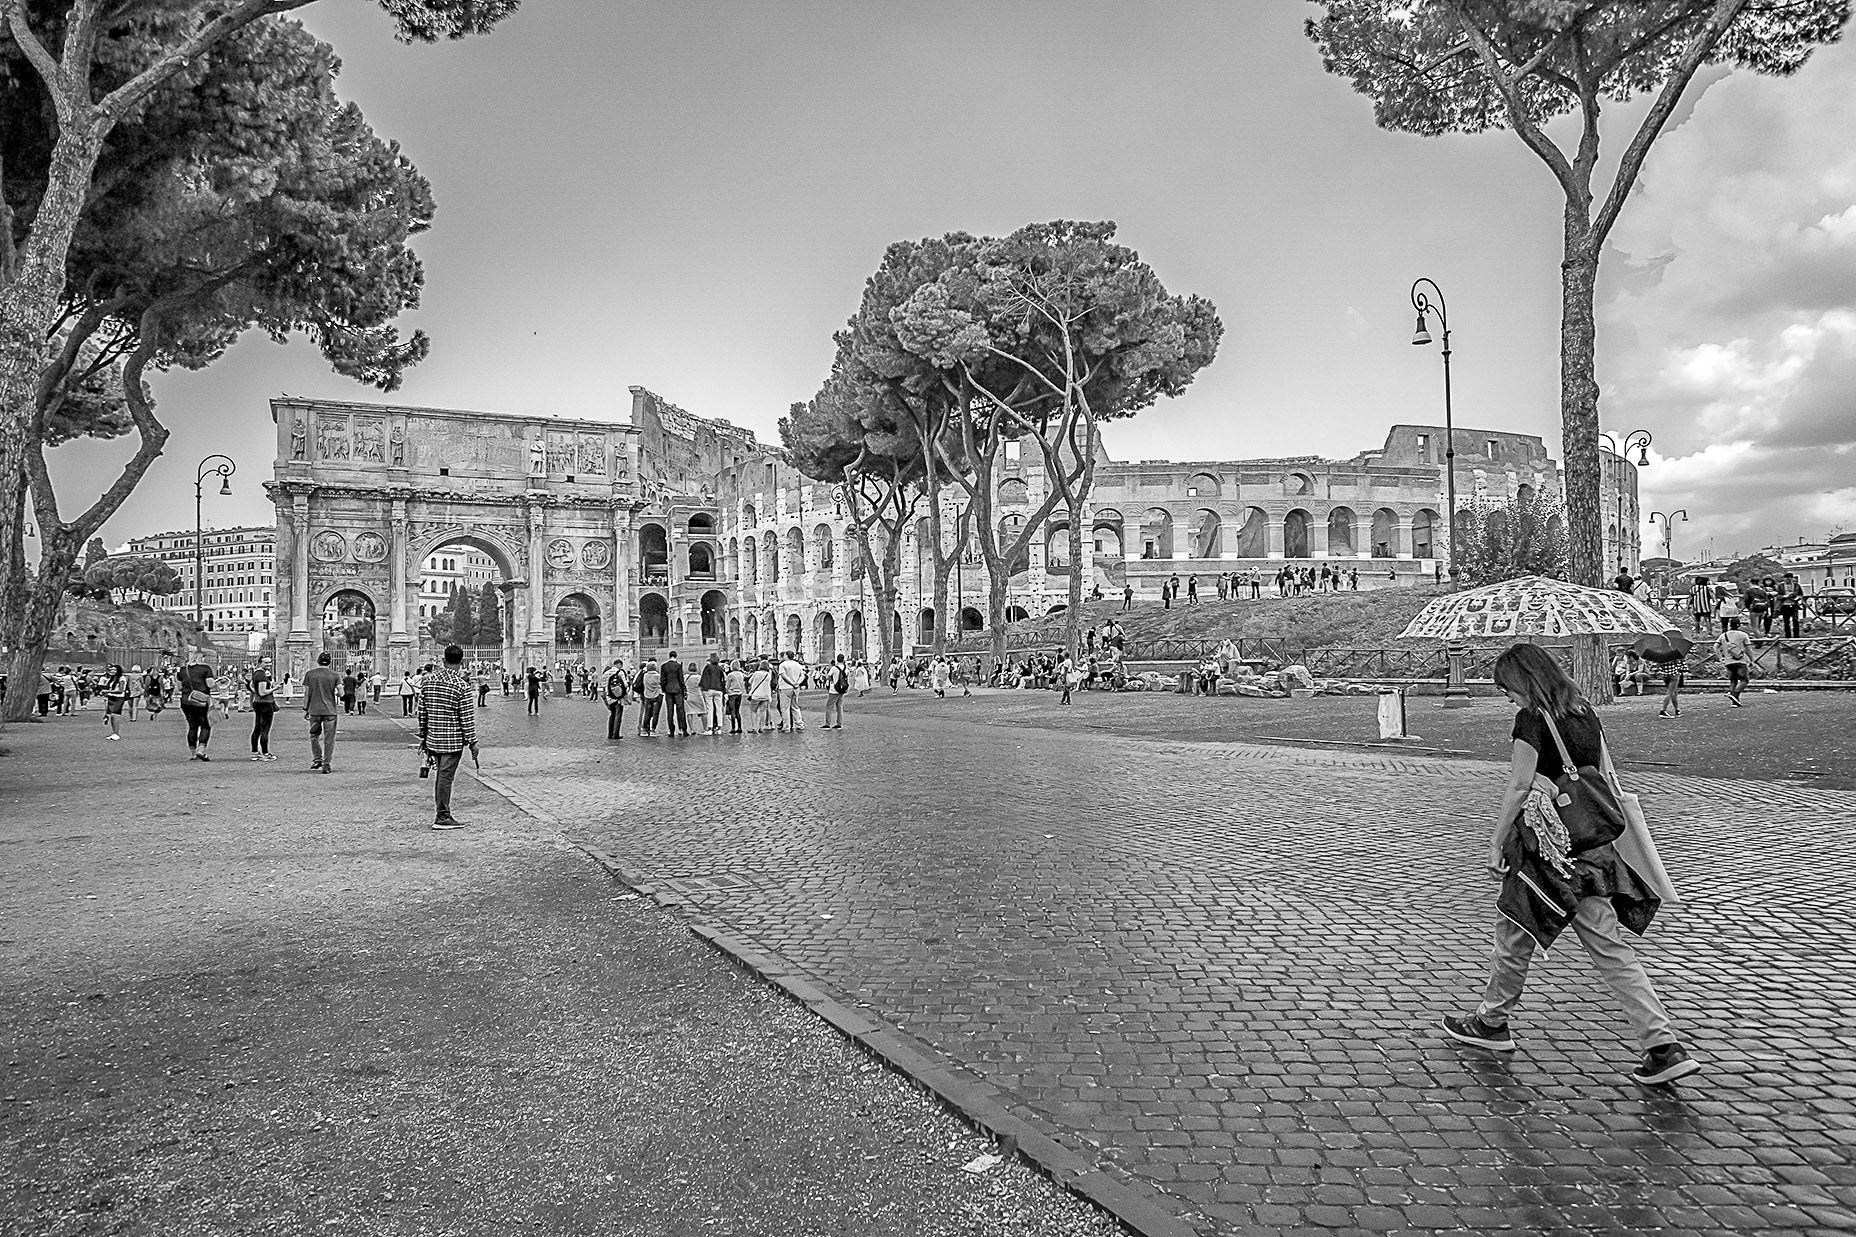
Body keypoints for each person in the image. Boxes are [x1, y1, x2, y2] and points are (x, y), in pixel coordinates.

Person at [1441, 642, 1698, 1087]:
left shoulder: (1531, 718)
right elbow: (1597, 773)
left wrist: (1495, 841)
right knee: (1608, 947)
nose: (1507, 697)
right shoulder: (1585, 712)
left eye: (1507, 688)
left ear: (1523, 682)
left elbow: (1520, 784)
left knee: (1515, 928)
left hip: (1548, 850)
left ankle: (1491, 1023)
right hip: (1592, 848)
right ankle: (1662, 1044)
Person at [418, 644, 479, 831]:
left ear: (443, 661)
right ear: (461, 663)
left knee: (441, 776)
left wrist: (423, 735)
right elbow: (467, 718)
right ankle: (442, 816)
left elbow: (422, 712)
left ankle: (442, 812)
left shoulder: (428, 681)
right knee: (445, 777)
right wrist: (473, 743)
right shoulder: (462, 686)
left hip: (433, 738)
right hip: (452, 740)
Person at [302, 651, 341, 773]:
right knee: (329, 738)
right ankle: (327, 764)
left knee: (314, 735)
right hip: (330, 711)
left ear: (318, 661)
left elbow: (307, 693)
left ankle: (317, 759)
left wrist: (306, 708)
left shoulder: (310, 675)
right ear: (330, 662)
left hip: (314, 709)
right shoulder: (335, 675)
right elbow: (341, 693)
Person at [176, 651, 216, 761]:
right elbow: (210, 684)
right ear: (202, 658)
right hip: (201, 700)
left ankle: (193, 753)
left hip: (186, 700)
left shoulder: (184, 670)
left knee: (192, 726)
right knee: (205, 725)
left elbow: (179, 687)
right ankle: (201, 749)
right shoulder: (206, 669)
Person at [1715, 623, 1754, 707]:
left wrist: (1720, 657)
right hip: (1740, 661)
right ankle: (1735, 694)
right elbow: (1748, 649)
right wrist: (1752, 660)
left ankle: (1734, 702)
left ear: (1729, 625)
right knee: (1744, 680)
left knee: (1733, 681)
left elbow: (1715, 646)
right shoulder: (1743, 635)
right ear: (1739, 625)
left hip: (1728, 662)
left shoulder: (1723, 635)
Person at [249, 659, 278, 760]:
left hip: (258, 702)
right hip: (265, 703)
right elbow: (263, 692)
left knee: (257, 728)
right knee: (265, 729)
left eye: (270, 662)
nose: (269, 664)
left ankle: (254, 752)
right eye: (266, 662)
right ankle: (265, 753)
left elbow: (251, 686)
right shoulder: (261, 675)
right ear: (260, 663)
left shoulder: (256, 674)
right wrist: (275, 688)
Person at [659, 651, 689, 736]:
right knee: (680, 710)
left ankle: (671, 730)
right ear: (676, 656)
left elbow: (662, 680)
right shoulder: (678, 666)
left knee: (670, 710)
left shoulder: (663, 666)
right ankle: (684, 729)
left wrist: (663, 688)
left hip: (668, 690)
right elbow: (681, 679)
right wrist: (684, 689)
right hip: (678, 689)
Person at [776, 650, 807, 731]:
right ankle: (800, 724)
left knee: (785, 708)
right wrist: (797, 683)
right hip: (795, 688)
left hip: (785, 687)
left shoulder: (783, 664)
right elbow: (802, 676)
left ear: (786, 655)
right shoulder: (798, 664)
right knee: (795, 707)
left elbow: (783, 676)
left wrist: (791, 683)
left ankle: (786, 726)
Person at [698, 653, 726, 735]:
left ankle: (710, 728)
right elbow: (723, 679)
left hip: (709, 689)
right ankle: (719, 728)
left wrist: (703, 688)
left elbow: (704, 678)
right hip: (718, 689)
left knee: (710, 709)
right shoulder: (720, 668)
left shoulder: (708, 667)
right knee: (719, 709)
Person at [100, 664, 129, 741]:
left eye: (114, 670)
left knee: (115, 715)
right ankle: (114, 732)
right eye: (111, 670)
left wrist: (108, 691)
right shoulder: (112, 679)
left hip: (118, 698)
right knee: (111, 716)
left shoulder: (122, 678)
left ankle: (116, 733)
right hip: (111, 697)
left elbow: (121, 690)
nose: (112, 671)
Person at [603, 658, 629, 740]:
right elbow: (625, 685)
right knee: (618, 715)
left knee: (612, 715)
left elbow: (604, 685)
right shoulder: (620, 672)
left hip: (609, 697)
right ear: (619, 664)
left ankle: (610, 734)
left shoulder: (606, 673)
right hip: (618, 697)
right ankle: (616, 734)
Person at [746, 657, 775, 732]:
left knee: (753, 711)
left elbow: (750, 681)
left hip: (756, 695)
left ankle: (753, 727)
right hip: (765, 695)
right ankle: (761, 727)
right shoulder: (768, 675)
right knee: (763, 711)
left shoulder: (756, 674)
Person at [636, 657, 662, 735]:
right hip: (657, 695)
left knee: (647, 713)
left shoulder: (645, 675)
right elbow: (660, 684)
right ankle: (653, 729)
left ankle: (644, 729)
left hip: (647, 696)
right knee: (655, 714)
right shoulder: (658, 676)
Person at [823, 653, 848, 730]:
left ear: (837, 659)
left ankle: (828, 723)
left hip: (834, 690)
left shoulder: (834, 668)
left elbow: (828, 677)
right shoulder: (846, 668)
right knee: (839, 706)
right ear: (843, 659)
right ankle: (839, 723)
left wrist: (830, 677)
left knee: (829, 706)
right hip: (842, 690)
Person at [1777, 573, 1804, 639]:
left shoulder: (1797, 585)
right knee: (1786, 621)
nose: (1788, 580)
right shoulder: (1781, 586)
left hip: (1794, 605)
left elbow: (1800, 594)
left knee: (1795, 620)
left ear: (1792, 578)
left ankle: (1796, 636)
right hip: (1784, 605)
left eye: (1789, 578)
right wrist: (1784, 596)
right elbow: (1777, 595)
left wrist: (1797, 598)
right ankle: (1788, 636)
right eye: (1786, 578)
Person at [724, 659, 747, 734]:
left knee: (732, 711)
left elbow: (727, 685)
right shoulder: (741, 674)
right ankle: (740, 727)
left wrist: (726, 691)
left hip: (732, 694)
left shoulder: (730, 675)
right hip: (739, 693)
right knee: (738, 711)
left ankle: (733, 728)